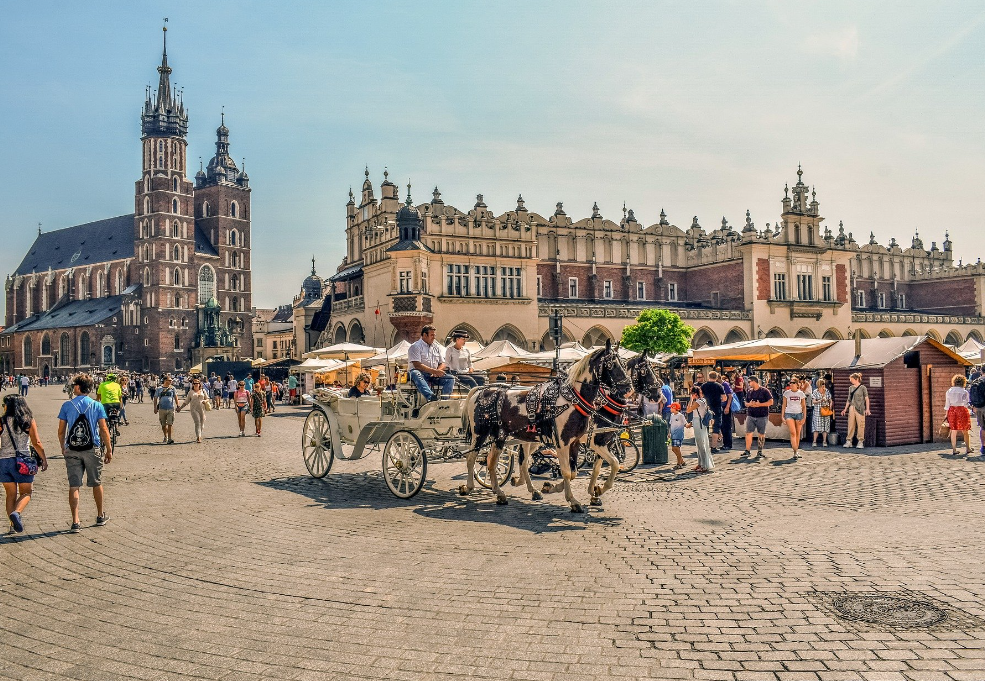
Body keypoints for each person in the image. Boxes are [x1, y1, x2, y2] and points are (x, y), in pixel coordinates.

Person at [57, 374, 112, 533]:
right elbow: (104, 429)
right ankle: (100, 515)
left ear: (78, 387)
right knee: (96, 482)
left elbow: (61, 431)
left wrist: (63, 446)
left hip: (72, 449)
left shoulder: (67, 406)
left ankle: (75, 522)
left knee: (74, 485)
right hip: (92, 448)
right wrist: (109, 449)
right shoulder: (97, 405)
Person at [1, 395, 47, 534]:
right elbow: (36, 442)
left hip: (4, 461)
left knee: (10, 494)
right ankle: (16, 513)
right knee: (26, 492)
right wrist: (43, 458)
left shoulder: (1, 421)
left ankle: (12, 526)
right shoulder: (28, 420)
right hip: (23, 461)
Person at [408, 324, 454, 402]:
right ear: (424, 335)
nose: (434, 337)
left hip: (433, 374)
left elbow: (443, 363)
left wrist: (438, 371)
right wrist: (434, 371)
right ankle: (431, 397)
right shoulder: (415, 346)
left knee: (450, 378)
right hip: (420, 373)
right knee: (415, 373)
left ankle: (444, 401)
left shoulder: (436, 347)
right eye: (432, 335)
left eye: (434, 335)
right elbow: (417, 365)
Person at [742, 375, 773, 459]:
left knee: (761, 434)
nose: (748, 383)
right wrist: (750, 404)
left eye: (749, 382)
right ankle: (747, 450)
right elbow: (746, 403)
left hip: (762, 415)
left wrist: (760, 404)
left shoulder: (764, 391)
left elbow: (771, 402)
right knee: (748, 433)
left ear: (754, 381)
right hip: (751, 415)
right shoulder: (749, 391)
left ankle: (760, 451)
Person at [686, 386, 713, 473]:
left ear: (695, 394)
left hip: (699, 423)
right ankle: (700, 463)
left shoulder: (698, 402)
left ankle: (704, 465)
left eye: (691, 393)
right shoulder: (703, 400)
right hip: (698, 422)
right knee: (699, 444)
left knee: (701, 444)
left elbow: (688, 410)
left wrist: (691, 400)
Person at [840, 372, 870, 449]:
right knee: (850, 425)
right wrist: (845, 409)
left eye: (852, 379)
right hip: (852, 407)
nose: (850, 380)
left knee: (861, 425)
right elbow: (849, 399)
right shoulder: (851, 388)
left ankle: (860, 441)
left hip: (860, 408)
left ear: (856, 379)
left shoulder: (863, 388)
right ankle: (849, 440)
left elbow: (866, 399)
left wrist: (867, 409)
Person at [945, 374, 972, 456]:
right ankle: (968, 448)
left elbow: (947, 404)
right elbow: (966, 403)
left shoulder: (949, 391)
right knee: (965, 430)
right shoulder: (964, 391)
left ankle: (954, 449)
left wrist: (946, 414)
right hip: (962, 410)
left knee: (953, 430)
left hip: (952, 410)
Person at [699, 371, 726, 452]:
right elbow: (724, 398)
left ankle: (704, 446)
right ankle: (713, 447)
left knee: (704, 426)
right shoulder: (719, 386)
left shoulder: (703, 385)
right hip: (717, 408)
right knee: (716, 427)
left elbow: (701, 396)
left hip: (706, 408)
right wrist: (720, 400)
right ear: (716, 377)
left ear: (708, 377)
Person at [177, 378, 210, 444]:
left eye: (197, 383)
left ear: (199, 384)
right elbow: (186, 401)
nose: (196, 384)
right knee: (197, 422)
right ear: (192, 384)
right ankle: (198, 437)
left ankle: (200, 434)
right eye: (194, 383)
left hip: (202, 409)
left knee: (202, 423)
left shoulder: (203, 391)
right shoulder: (191, 392)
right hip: (194, 409)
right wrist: (180, 408)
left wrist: (205, 401)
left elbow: (207, 399)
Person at [781, 378, 806, 459]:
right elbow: (784, 405)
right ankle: (795, 451)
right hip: (789, 413)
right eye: (790, 383)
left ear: (797, 384)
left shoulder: (801, 393)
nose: (791, 384)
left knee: (798, 433)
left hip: (798, 413)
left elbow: (804, 406)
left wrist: (804, 417)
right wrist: (782, 416)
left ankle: (796, 451)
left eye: (793, 383)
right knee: (793, 432)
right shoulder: (786, 393)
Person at [153, 376, 178, 444]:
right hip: (162, 409)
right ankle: (165, 436)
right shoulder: (159, 389)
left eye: (171, 380)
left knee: (170, 424)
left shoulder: (173, 388)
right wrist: (155, 407)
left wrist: (178, 405)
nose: (171, 381)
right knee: (163, 425)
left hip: (171, 408)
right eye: (169, 380)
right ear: (165, 380)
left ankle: (169, 438)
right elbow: (155, 398)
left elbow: (175, 397)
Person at [810, 379, 833, 447]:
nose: (823, 385)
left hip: (826, 410)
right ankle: (814, 441)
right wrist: (820, 400)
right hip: (817, 411)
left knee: (825, 426)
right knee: (816, 427)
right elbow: (813, 401)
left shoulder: (827, 391)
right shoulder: (815, 391)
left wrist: (830, 405)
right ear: (819, 385)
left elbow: (830, 400)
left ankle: (824, 441)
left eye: (824, 384)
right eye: (822, 384)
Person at [668, 402, 687, 470]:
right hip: (673, 435)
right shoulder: (672, 415)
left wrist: (689, 425)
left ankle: (679, 464)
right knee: (673, 449)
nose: (670, 409)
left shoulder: (681, 416)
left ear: (674, 408)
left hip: (678, 434)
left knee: (677, 448)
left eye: (671, 408)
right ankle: (682, 461)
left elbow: (685, 423)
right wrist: (669, 433)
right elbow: (671, 424)